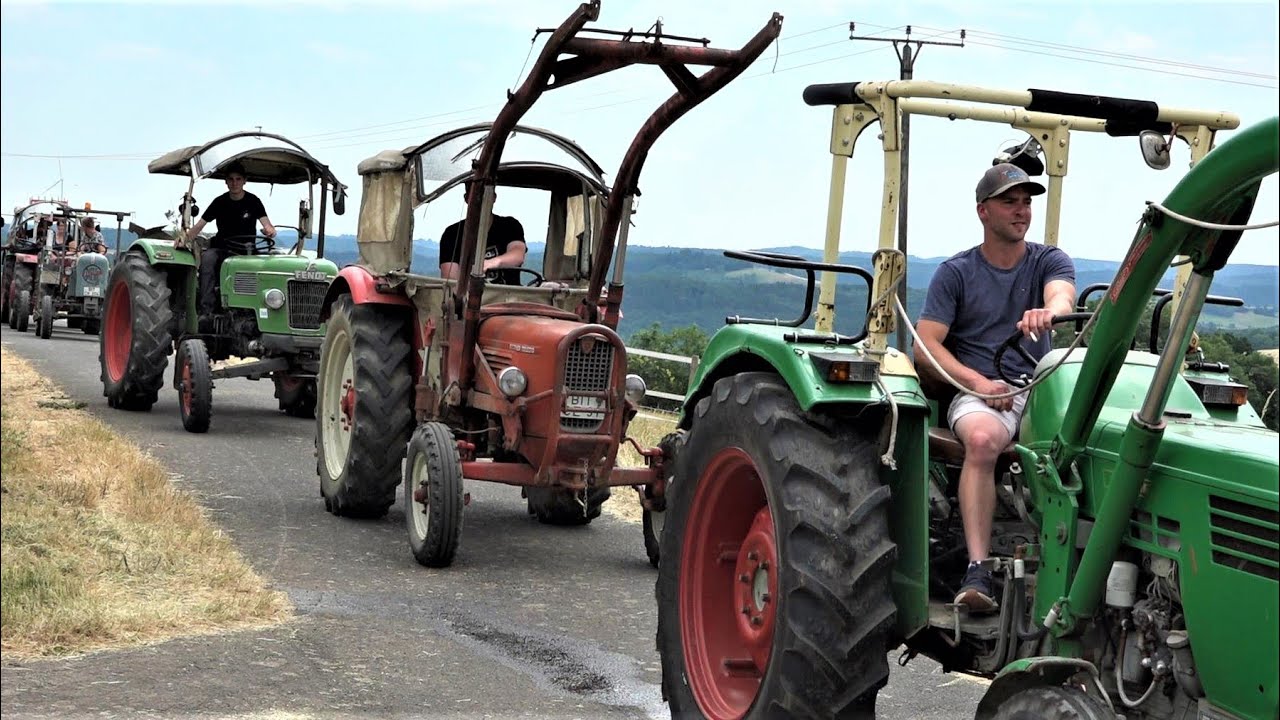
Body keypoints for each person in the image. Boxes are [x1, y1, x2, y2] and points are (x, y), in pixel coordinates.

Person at [914, 162, 1076, 613]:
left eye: (1026, 202)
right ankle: (978, 569)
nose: (1021, 211)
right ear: (983, 211)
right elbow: (925, 344)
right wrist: (980, 383)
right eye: (1010, 202)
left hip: (1044, 385)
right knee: (983, 440)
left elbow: (1061, 295)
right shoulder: (957, 272)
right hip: (983, 391)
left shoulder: (1048, 260)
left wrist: (1051, 312)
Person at [180, 162, 276, 326]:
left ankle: (269, 307)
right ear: (226, 182)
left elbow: (268, 225)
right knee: (208, 259)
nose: (234, 183)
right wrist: (184, 238)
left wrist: (269, 230)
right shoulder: (219, 202)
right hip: (223, 249)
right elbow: (199, 226)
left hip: (247, 252)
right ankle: (207, 311)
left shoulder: (253, 201)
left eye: (238, 179)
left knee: (273, 263)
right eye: (231, 179)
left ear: (245, 181)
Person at [438, 181, 526, 285]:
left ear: (494, 197)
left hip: (508, 297)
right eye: (476, 195)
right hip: (467, 297)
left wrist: (491, 263)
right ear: (466, 198)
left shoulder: (510, 225)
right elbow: (450, 277)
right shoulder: (452, 234)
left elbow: (517, 255)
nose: (481, 200)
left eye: (486, 195)